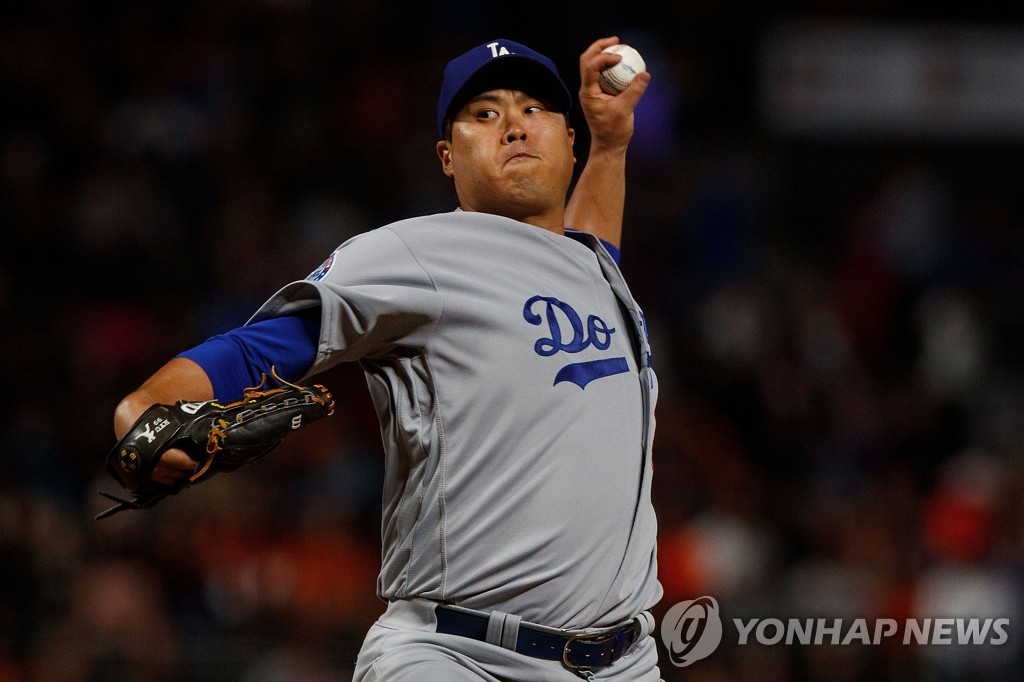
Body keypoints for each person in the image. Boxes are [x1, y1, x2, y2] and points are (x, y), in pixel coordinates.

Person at [112, 36, 659, 680]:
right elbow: (258, 345)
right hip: (459, 655)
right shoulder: (418, 253)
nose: (513, 125)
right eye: (484, 113)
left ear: (569, 141)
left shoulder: (595, 270)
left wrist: (611, 144)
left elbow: (585, 254)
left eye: (533, 109)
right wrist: (144, 404)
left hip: (624, 662)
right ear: (447, 157)